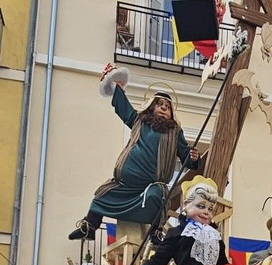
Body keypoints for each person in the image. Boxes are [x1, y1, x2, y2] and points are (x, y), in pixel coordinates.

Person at [68, 67, 201, 240]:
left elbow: (186, 157)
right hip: (125, 184)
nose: (163, 108)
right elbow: (124, 108)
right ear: (151, 106)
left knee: (156, 197)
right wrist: (117, 87)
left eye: (167, 107)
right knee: (102, 194)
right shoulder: (139, 121)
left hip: (151, 185)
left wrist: (193, 158)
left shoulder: (175, 132)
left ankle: (156, 233)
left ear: (171, 113)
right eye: (159, 104)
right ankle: (89, 227)